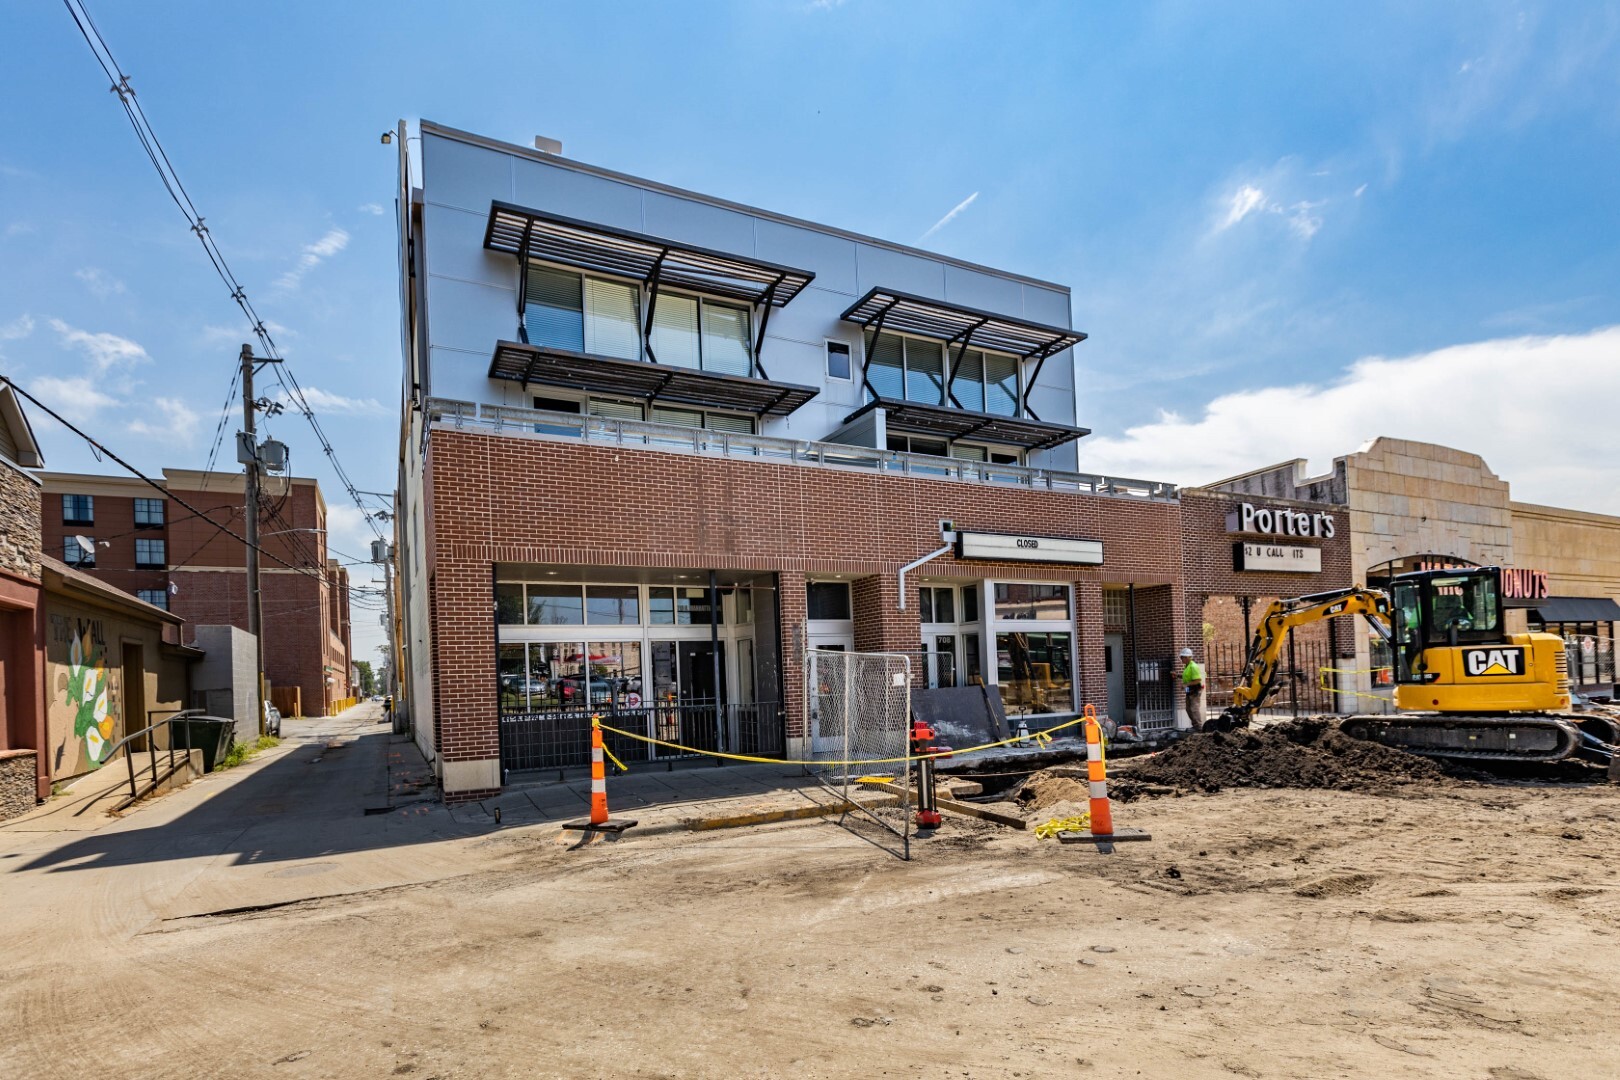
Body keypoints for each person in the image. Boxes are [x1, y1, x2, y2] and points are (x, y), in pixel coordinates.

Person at [1180, 647, 1205, 730]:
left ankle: (1198, 727)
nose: (1181, 659)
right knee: (1188, 709)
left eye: (1182, 657)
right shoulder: (1187, 666)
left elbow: (1197, 680)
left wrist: (1186, 684)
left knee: (1194, 709)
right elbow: (1188, 677)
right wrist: (1177, 675)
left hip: (1195, 690)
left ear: (1187, 657)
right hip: (1190, 690)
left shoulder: (1193, 666)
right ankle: (1195, 726)